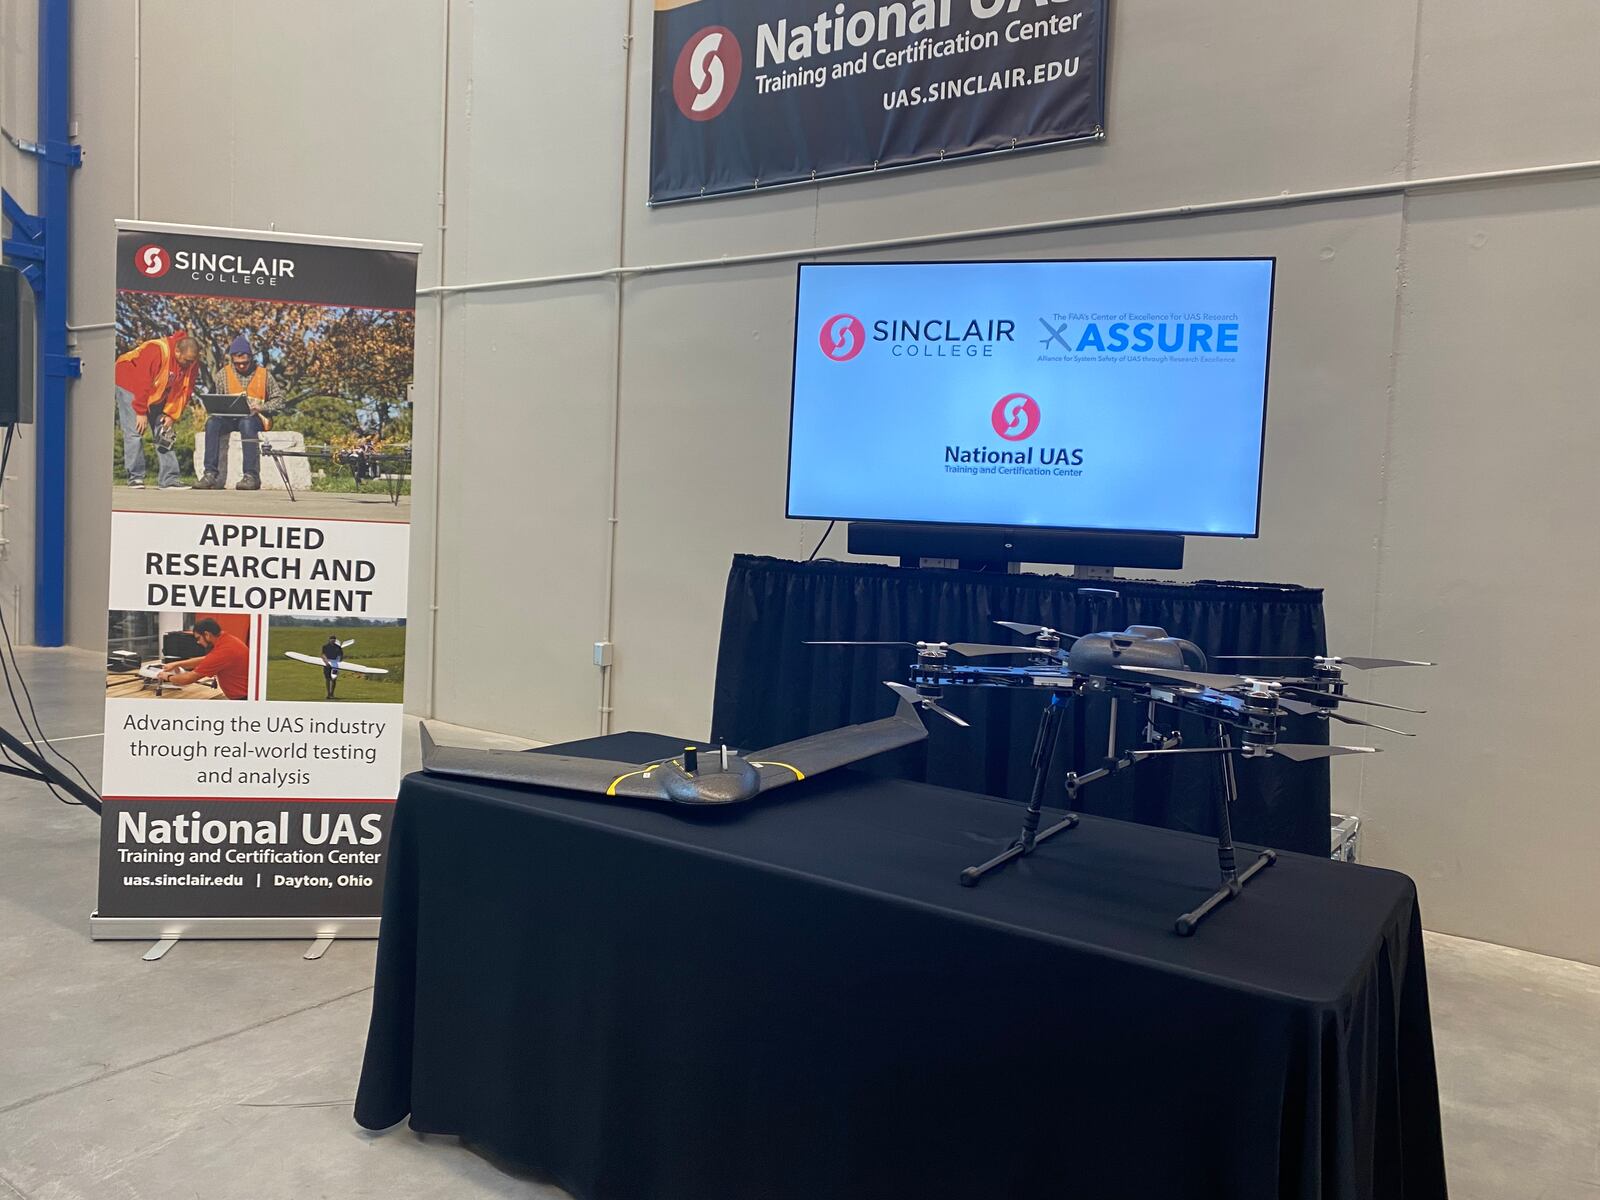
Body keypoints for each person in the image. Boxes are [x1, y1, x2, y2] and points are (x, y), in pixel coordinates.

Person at [197, 334, 286, 491]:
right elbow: (214, 398)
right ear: (232, 360)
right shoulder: (223, 374)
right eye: (237, 364)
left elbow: (280, 401)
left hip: (255, 418)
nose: (242, 366)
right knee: (212, 423)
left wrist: (261, 407)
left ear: (251, 358)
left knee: (246, 422)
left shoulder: (264, 375)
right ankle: (210, 474)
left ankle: (251, 476)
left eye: (245, 363)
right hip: (229, 419)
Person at [114, 330, 202, 490]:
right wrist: (140, 412)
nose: (189, 365)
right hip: (129, 382)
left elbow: (184, 391)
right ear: (177, 351)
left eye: (192, 361)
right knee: (135, 431)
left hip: (156, 390)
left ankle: (169, 479)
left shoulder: (191, 362)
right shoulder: (155, 350)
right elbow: (141, 381)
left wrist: (171, 415)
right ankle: (135, 477)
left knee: (164, 432)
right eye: (187, 361)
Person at [158, 618, 249, 700]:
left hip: (243, 699)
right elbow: (206, 659)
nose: (198, 642)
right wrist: (177, 664)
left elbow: (188, 679)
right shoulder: (227, 640)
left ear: (207, 634)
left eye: (198, 638)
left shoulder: (224, 651)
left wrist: (167, 676)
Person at [320, 635, 345, 699]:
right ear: (329, 640)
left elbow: (341, 655)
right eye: (331, 639)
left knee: (334, 679)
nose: (333, 640)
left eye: (334, 639)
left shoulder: (338, 647)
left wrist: (339, 660)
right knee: (327, 679)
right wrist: (326, 662)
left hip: (335, 665)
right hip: (327, 664)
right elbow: (323, 655)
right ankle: (328, 694)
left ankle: (332, 694)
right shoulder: (325, 646)